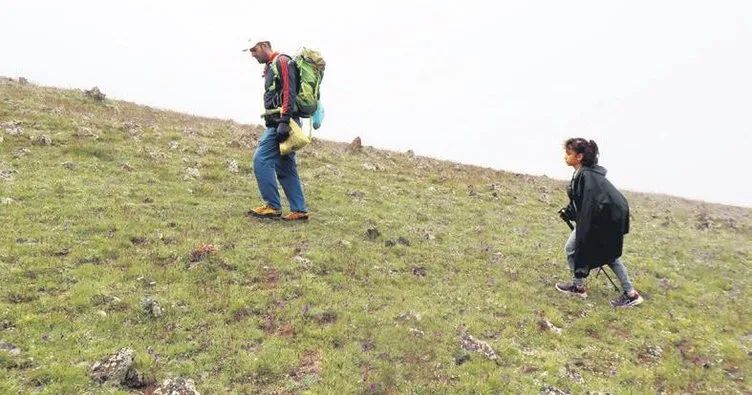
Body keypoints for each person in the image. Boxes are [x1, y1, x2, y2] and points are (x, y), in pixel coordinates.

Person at [555, 138, 643, 307]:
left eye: (568, 153)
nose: (565, 157)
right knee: (573, 249)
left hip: (605, 221)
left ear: (579, 156)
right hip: (598, 219)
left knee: (609, 256)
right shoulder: (582, 173)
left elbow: (590, 206)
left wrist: (585, 230)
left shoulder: (588, 176)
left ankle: (631, 294)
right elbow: (582, 201)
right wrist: (570, 211)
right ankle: (578, 286)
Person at [243, 39, 309, 221]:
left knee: (261, 160)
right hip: (279, 122)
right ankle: (299, 210)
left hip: (283, 123)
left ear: (264, 45)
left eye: (254, 50)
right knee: (285, 167)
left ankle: (272, 206)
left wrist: (284, 121)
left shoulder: (282, 61)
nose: (252, 55)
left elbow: (289, 90)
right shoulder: (273, 65)